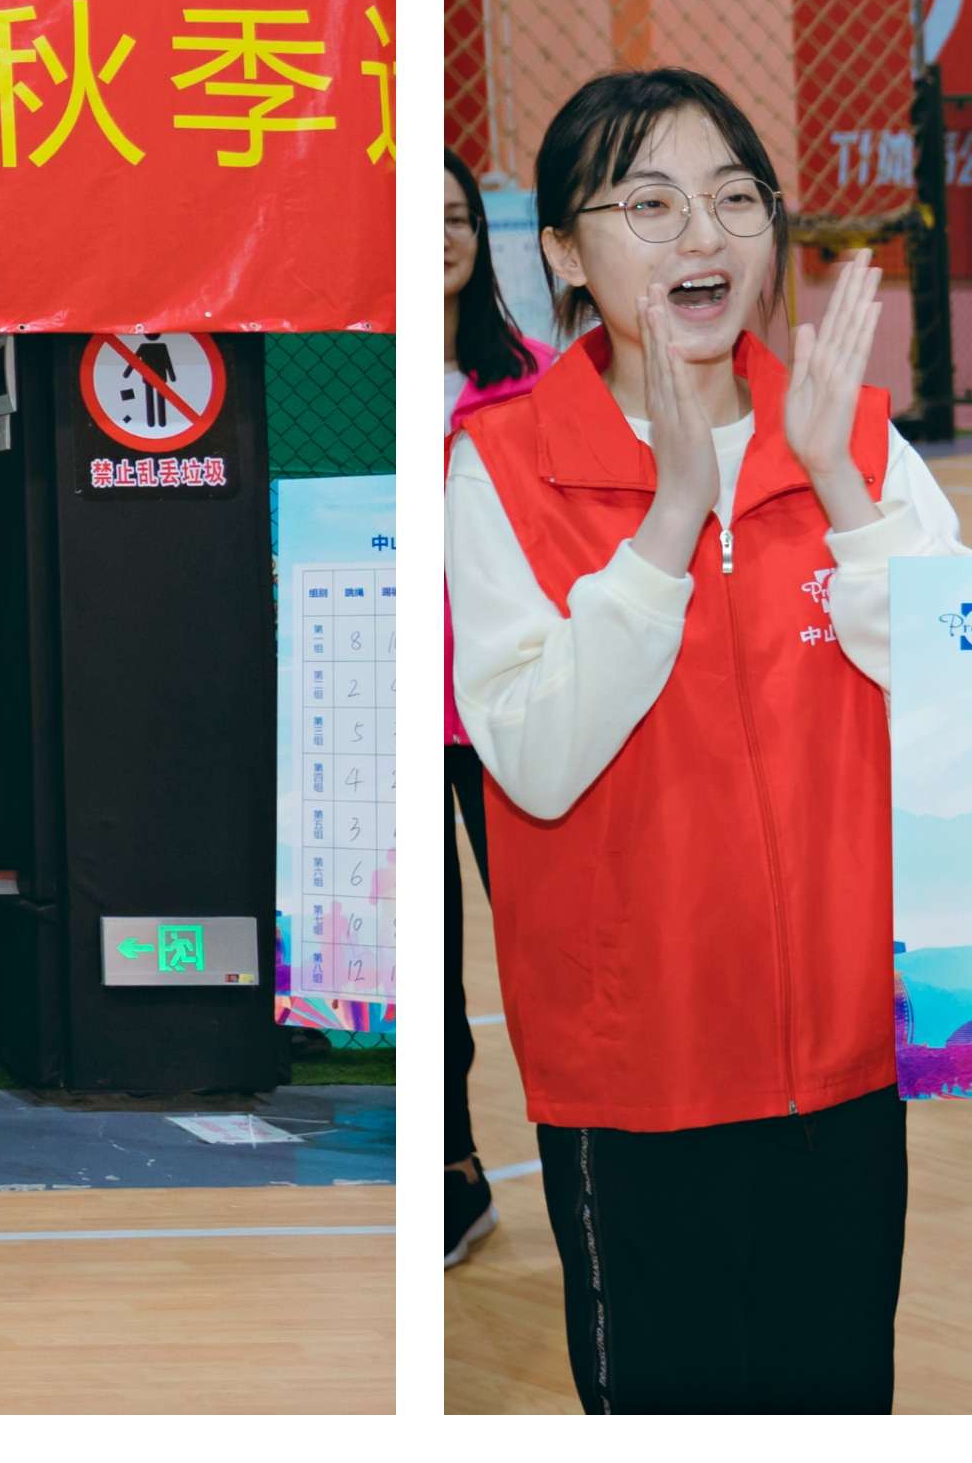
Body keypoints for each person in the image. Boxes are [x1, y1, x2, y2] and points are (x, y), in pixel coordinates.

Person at [445, 66, 964, 1411]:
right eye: (652, 204)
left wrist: (840, 484)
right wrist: (671, 519)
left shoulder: (857, 443)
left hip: (846, 1053)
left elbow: (964, 695)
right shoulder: (501, 464)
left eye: (737, 199)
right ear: (567, 253)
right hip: (637, 1068)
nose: (705, 236)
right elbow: (535, 755)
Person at [441, 150, 547, 1266]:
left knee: (548, 951)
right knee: (429, 970)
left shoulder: (537, 382)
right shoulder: (379, 373)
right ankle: (455, 1174)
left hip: (515, 712)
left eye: (458, 218)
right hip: (401, 719)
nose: (441, 238)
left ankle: (588, 1149)